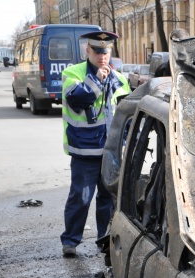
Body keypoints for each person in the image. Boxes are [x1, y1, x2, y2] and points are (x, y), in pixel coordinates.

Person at [59, 31, 131, 257]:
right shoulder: (73, 74)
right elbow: (78, 99)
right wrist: (97, 80)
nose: (102, 56)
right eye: (97, 51)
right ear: (87, 51)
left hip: (111, 150)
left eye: (106, 52)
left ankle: (105, 239)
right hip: (84, 150)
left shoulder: (119, 78)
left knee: (108, 199)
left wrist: (127, 141)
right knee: (81, 198)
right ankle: (70, 241)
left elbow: (126, 112)